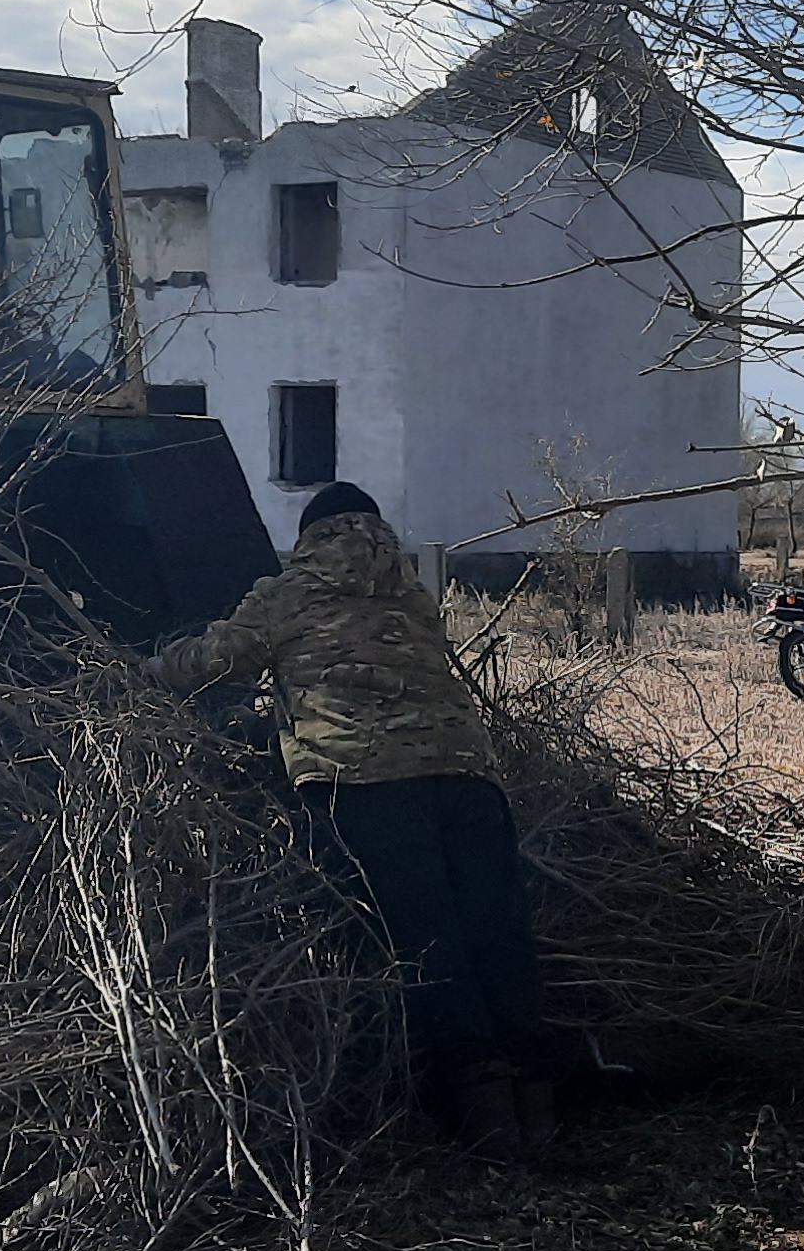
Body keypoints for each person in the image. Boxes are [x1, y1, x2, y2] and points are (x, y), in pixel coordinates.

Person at [148, 482, 556, 1153]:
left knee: (427, 946)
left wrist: (142, 669)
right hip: (466, 776)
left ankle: (484, 1114)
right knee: (497, 934)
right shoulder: (412, 591)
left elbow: (215, 659)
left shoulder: (284, 594)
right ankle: (538, 1107)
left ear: (309, 536)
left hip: (366, 783)